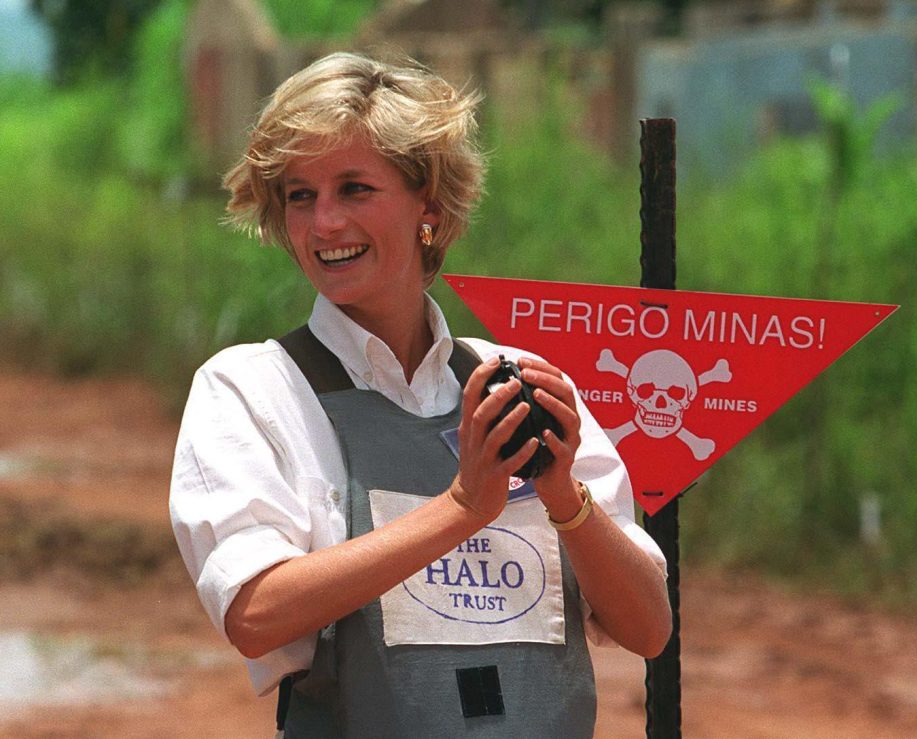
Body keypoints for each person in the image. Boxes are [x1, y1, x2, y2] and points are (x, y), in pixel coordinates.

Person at [169, 52, 671, 738]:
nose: (324, 224)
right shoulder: (253, 390)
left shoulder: (520, 382)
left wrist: (563, 498)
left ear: (427, 208)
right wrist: (464, 507)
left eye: (354, 188)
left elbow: (647, 627)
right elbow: (256, 613)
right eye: (300, 195)